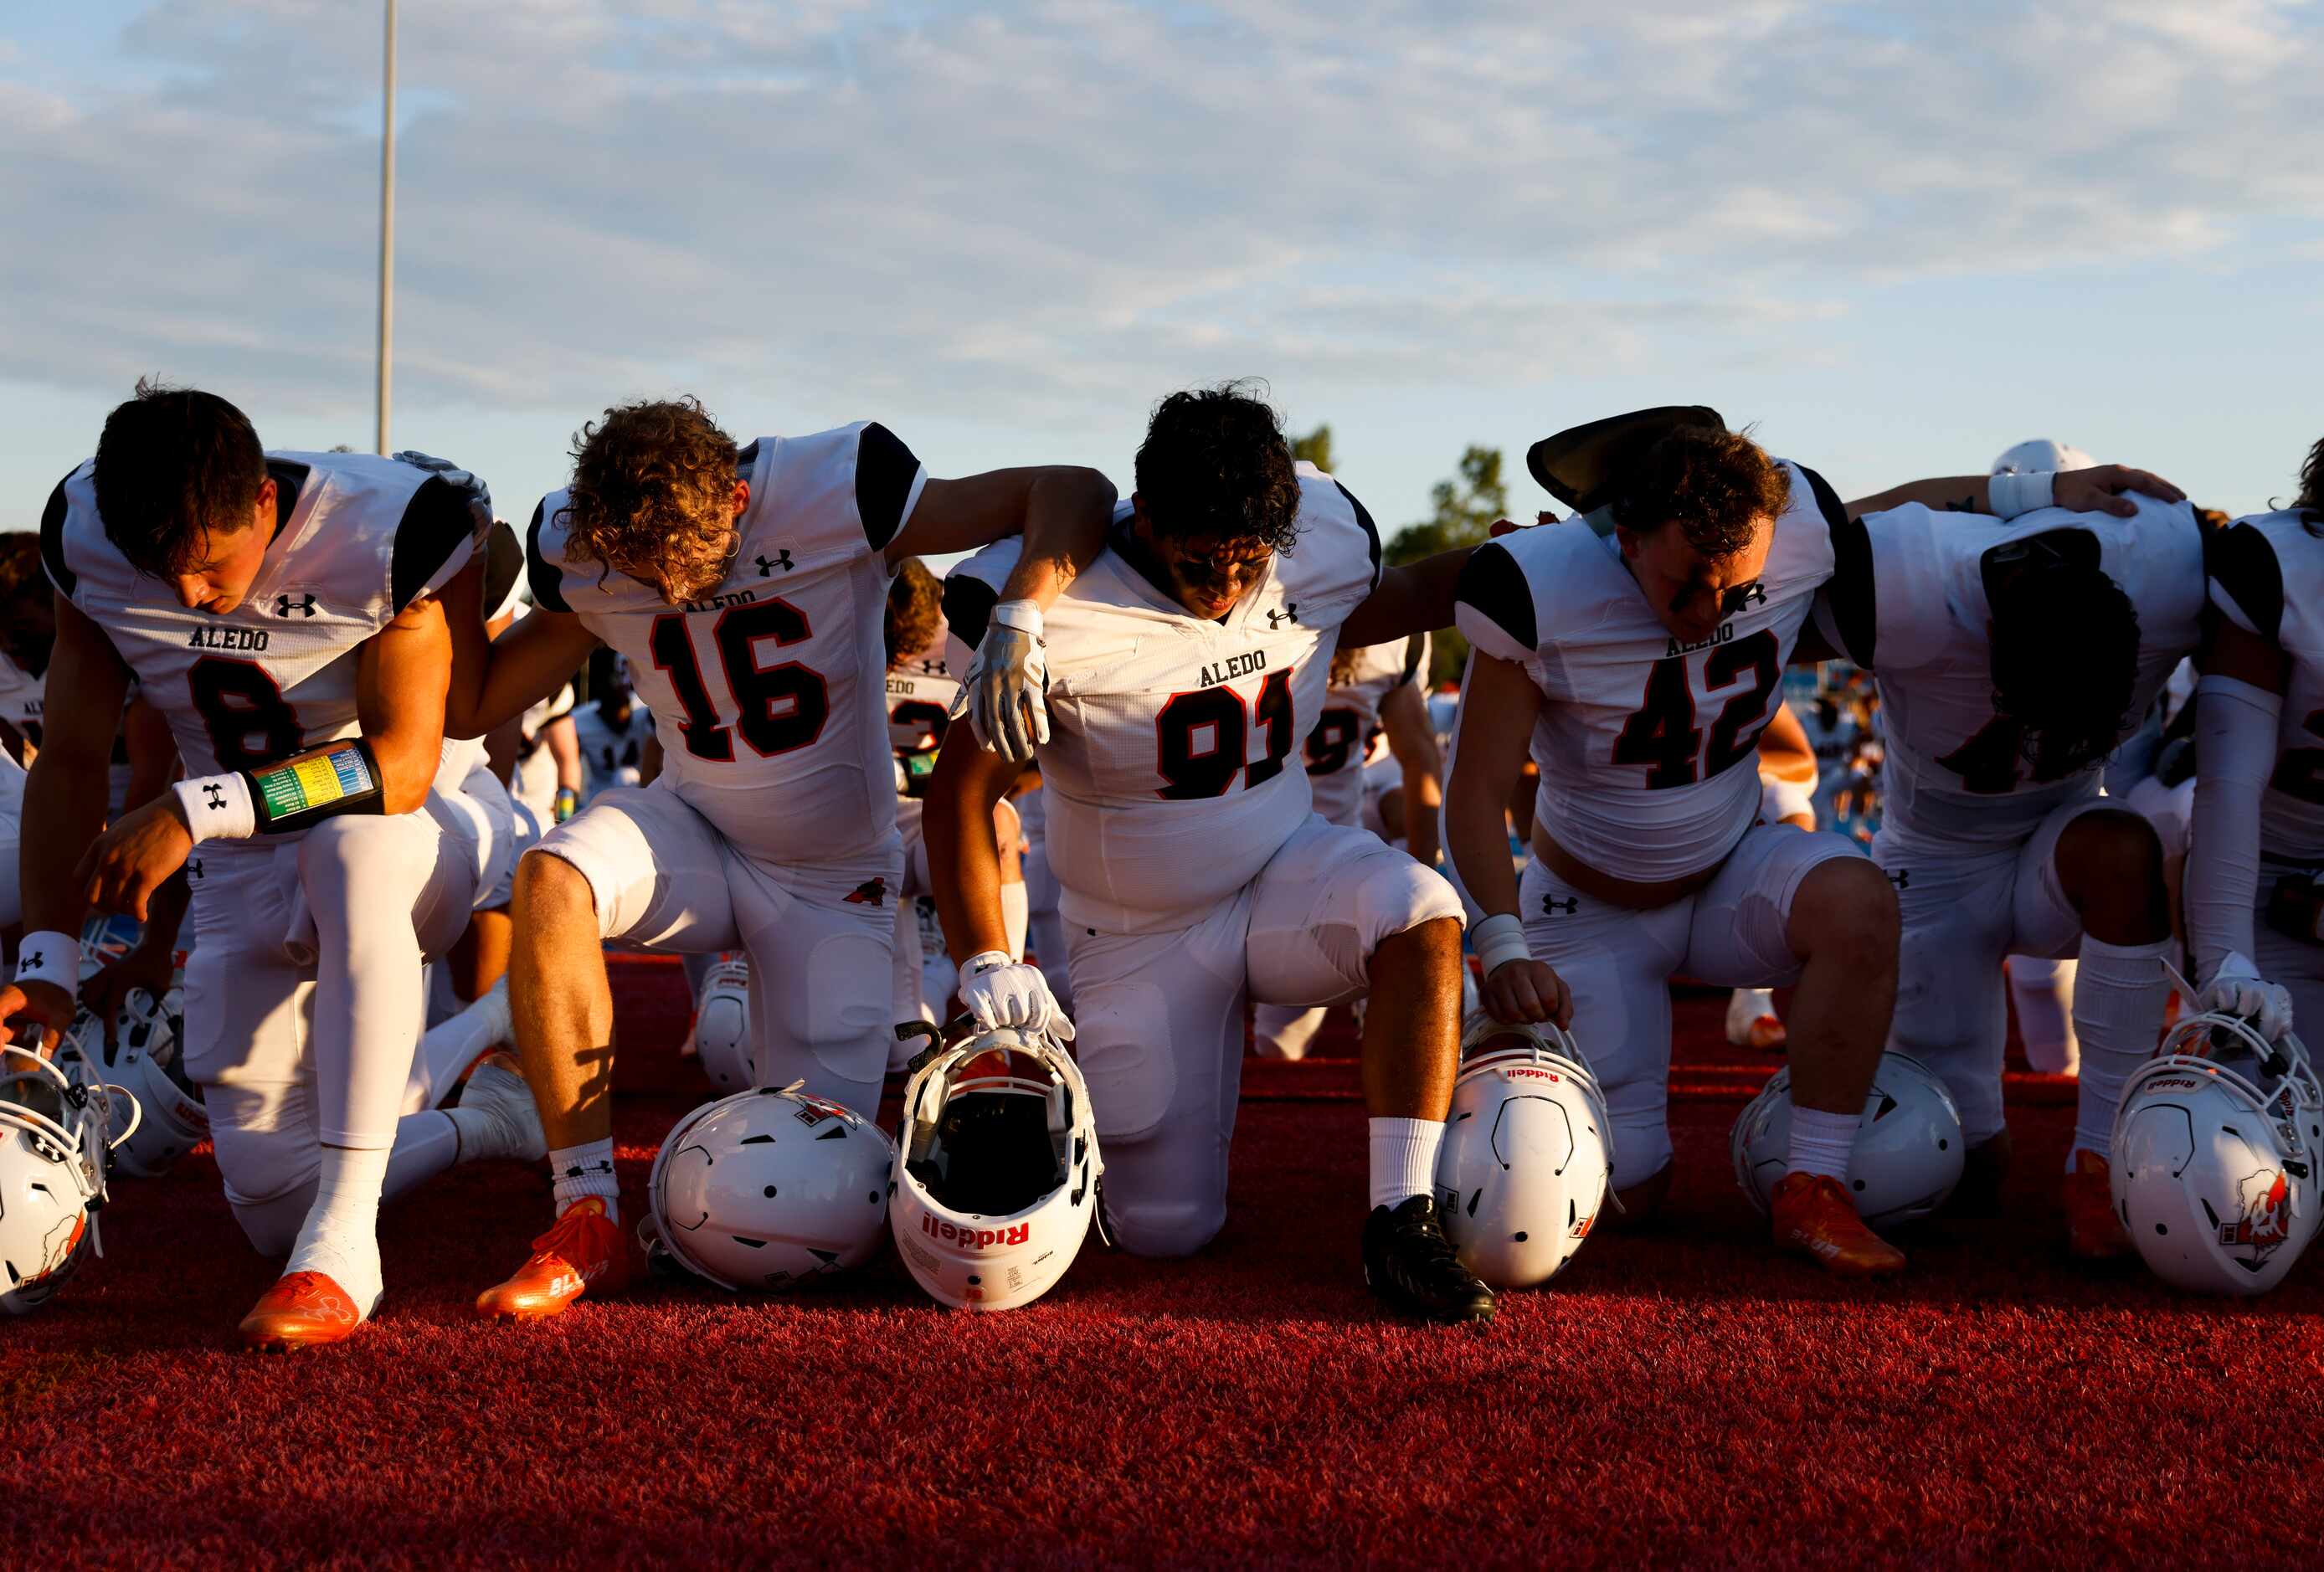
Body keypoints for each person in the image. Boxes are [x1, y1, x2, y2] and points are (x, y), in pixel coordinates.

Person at [441, 396, 1118, 1322]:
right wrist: (445, 571)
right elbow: (467, 707)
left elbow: (1071, 489)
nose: (675, 594)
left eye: (688, 567)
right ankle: (587, 1215)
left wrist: (1020, 622)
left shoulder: (832, 484)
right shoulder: (586, 539)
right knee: (553, 877)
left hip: (829, 876)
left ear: (732, 498)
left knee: (831, 1200)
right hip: (693, 828)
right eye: (648, 577)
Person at [932, 384, 1496, 1323]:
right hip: (1138, 926)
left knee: (1420, 908)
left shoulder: (1317, 535)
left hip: (1286, 867)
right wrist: (986, 956)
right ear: (1145, 517)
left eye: (1250, 561)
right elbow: (961, 790)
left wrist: (1513, 560)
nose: (1229, 585)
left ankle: (1402, 1218)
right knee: (1164, 1230)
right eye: (1203, 560)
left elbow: (1384, 601)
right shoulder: (1049, 603)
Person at [0, 383, 540, 1349]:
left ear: (262, 506)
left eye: (209, 567)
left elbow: (401, 766)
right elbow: (76, 759)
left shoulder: (386, 525)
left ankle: (343, 1255)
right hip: (241, 865)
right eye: (158, 576)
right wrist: (46, 967)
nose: (189, 598)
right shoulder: (84, 531)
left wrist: (198, 806)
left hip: (420, 830)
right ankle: (484, 1115)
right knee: (269, 1206)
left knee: (351, 849)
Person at [1811, 448, 2197, 1257]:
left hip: (2059, 839)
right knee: (1964, 1178)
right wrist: (2016, 495)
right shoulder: (1900, 579)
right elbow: (1792, 538)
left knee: (2126, 844)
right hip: (1935, 864)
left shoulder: (2177, 562)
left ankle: (2103, 1156)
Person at [2185, 434, 2324, 1042]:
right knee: (2269, 1104)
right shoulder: (2277, 564)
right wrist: (2226, 958)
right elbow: (2229, 782)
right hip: (2274, 878)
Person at [1253, 631, 1442, 1060]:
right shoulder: (1389, 641)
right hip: (1276, 854)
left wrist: (1419, 879)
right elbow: (1421, 756)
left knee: (1278, 1046)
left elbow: (1419, 758)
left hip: (1314, 863)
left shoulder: (1392, 643)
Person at [569, 654, 657, 802]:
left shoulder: (645, 711)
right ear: (600, 711)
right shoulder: (578, 722)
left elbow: (659, 756)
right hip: (600, 796)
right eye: (613, 711)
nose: (619, 718)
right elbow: (568, 763)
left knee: (626, 775)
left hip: (640, 791)